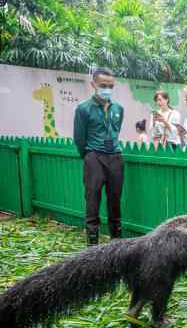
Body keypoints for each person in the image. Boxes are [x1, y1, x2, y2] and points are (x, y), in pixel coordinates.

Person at [73, 67, 124, 246]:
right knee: (93, 202)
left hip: (115, 157)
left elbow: (116, 131)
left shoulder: (119, 108)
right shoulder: (83, 109)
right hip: (94, 157)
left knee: (115, 202)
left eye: (111, 85)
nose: (107, 89)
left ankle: (116, 245)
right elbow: (79, 139)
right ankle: (92, 248)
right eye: (103, 85)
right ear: (93, 84)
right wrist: (88, 157)